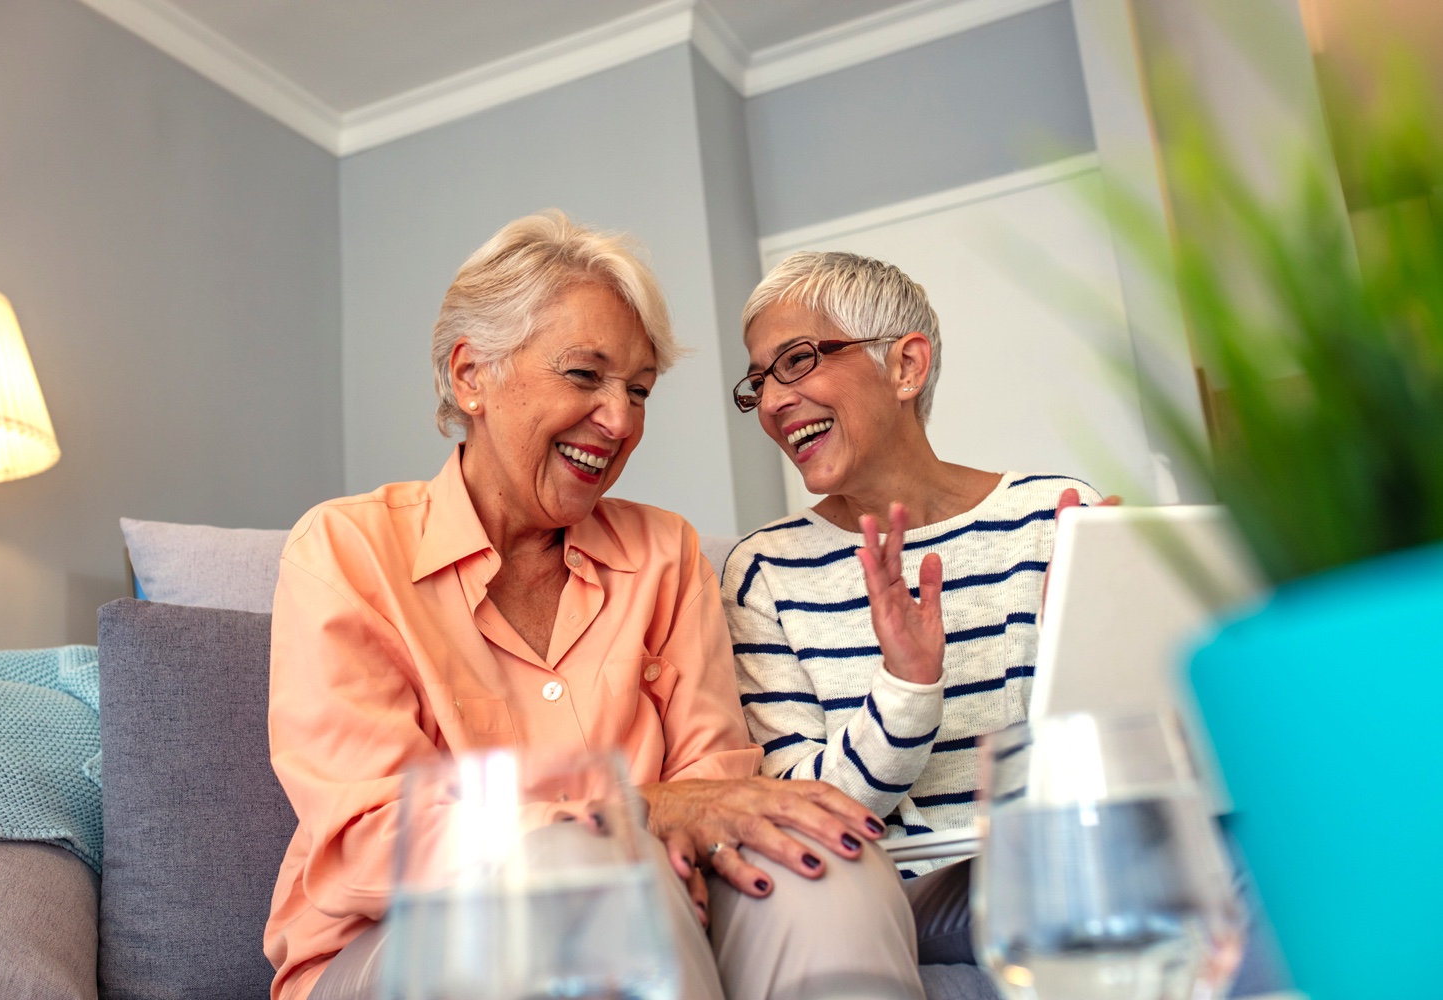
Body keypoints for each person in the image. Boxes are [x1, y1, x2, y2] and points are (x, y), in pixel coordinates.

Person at [264, 215, 931, 1000]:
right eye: (585, 376)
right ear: (472, 375)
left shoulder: (666, 554)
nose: (619, 422)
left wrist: (681, 824)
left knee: (817, 861)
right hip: (396, 951)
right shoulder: (345, 550)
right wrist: (632, 811)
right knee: (583, 874)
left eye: (639, 391)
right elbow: (371, 843)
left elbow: (718, 790)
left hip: (663, 917)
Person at [722, 250, 1109, 967]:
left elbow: (1116, 758)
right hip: (904, 899)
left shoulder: (1054, 518)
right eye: (758, 380)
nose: (772, 402)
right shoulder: (765, 573)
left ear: (905, 366)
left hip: (1070, 862)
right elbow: (802, 815)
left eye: (797, 361)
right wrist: (905, 691)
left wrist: (1101, 646)